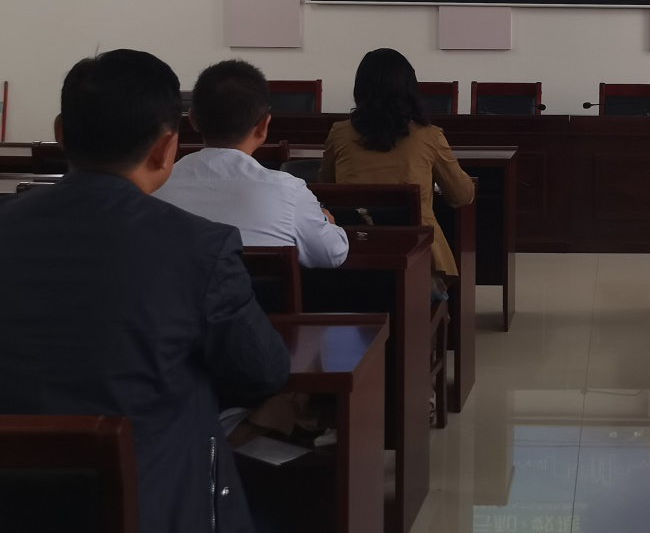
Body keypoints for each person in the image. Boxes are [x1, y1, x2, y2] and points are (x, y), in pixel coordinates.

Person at [0, 50, 290, 533]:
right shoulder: (200, 248)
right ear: (166, 148)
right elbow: (265, 371)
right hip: (155, 504)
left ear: (61, 132)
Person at [154, 59, 348, 268]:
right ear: (264, 125)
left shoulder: (157, 188)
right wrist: (329, 224)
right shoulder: (289, 192)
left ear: (192, 119)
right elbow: (332, 254)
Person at [320, 48, 473, 277]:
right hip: (419, 259)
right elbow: (461, 195)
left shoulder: (339, 133)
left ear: (360, 88)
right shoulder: (429, 136)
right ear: (410, 89)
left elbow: (326, 187)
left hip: (352, 256)